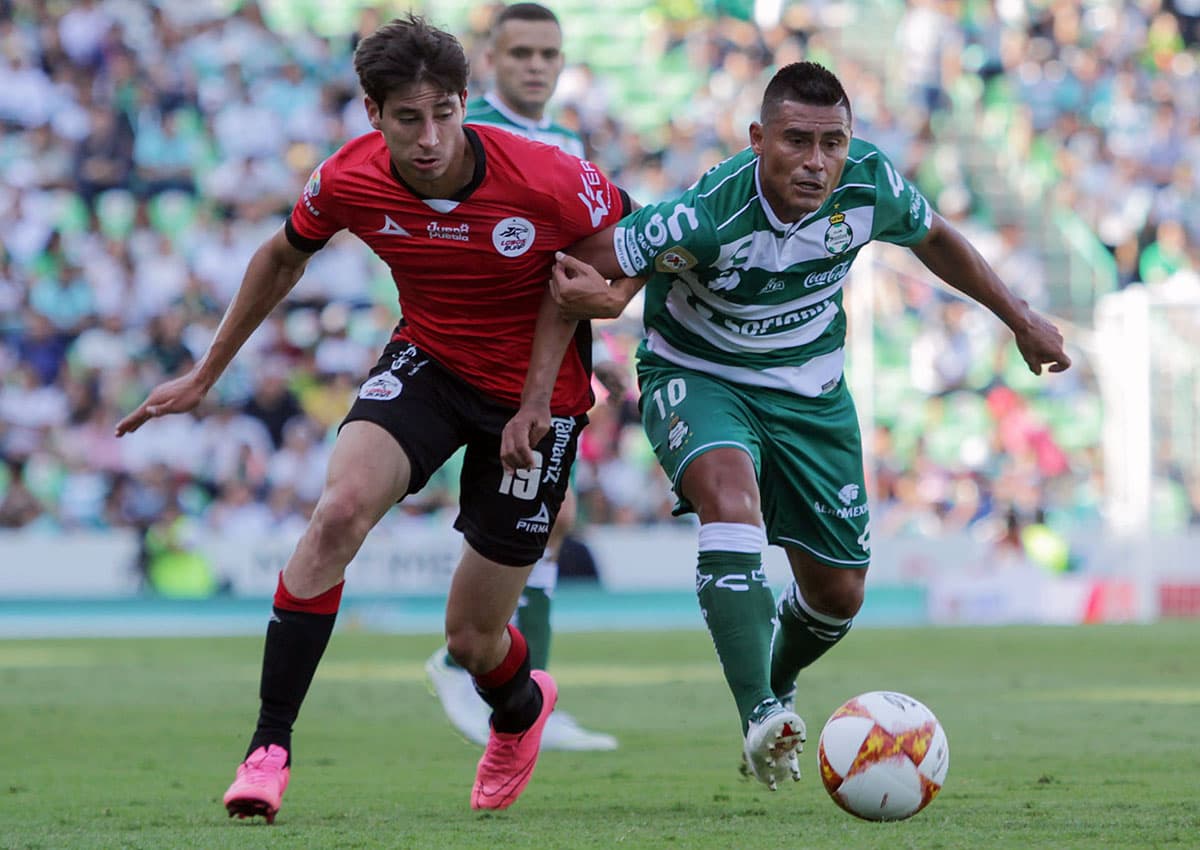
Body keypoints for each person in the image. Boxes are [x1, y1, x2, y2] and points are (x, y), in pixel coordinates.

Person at [115, 14, 630, 820]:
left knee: (472, 642)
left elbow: (631, 242)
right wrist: (206, 374)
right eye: (407, 119)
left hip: (539, 403)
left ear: (465, 102)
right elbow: (281, 256)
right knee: (338, 512)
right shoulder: (348, 177)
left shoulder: (547, 175)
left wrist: (607, 307)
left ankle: (521, 709)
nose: (429, 139)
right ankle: (268, 750)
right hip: (429, 363)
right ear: (372, 113)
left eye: (444, 115)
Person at [507, 61, 1071, 791]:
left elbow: (935, 236)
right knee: (729, 499)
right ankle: (760, 715)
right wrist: (550, 381)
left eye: (832, 143)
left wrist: (1019, 318)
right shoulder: (705, 214)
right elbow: (572, 272)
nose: (816, 162)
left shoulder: (869, 184)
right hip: (699, 376)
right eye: (796, 141)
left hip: (812, 392)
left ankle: (774, 686)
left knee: (839, 595)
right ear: (757, 140)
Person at [423, 0, 619, 754]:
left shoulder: (565, 141)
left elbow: (583, 256)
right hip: (480, 363)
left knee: (553, 520)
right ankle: (473, 667)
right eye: (520, 53)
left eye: (548, 54)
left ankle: (518, 683)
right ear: (490, 62)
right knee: (524, 519)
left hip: (553, 362)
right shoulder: (466, 139)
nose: (536, 66)